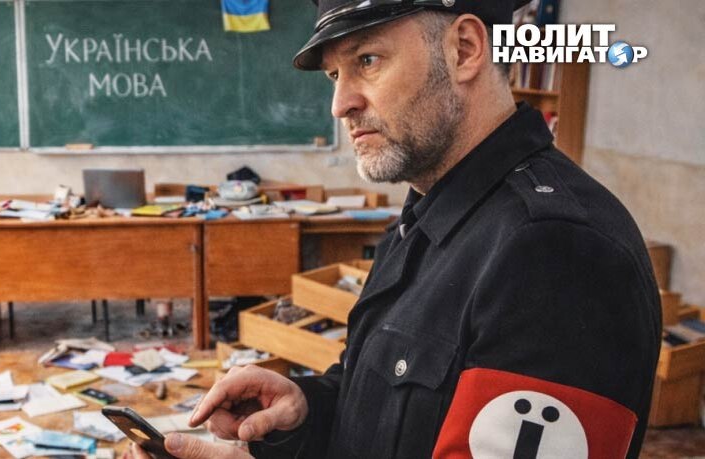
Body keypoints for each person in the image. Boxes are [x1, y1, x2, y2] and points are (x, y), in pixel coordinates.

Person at [128, 0, 660, 458]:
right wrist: (307, 407)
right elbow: (383, 404)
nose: (340, 104)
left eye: (368, 60)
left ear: (465, 50)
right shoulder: (425, 215)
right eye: (335, 75)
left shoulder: (556, 251)